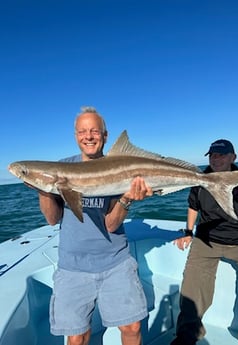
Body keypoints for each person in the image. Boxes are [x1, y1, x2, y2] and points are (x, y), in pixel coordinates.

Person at [37, 106, 153, 345]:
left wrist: (127, 198)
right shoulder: (62, 168)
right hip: (73, 266)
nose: (88, 136)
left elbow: (111, 224)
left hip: (115, 261)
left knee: (132, 327)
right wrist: (43, 186)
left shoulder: (121, 168)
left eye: (94, 131)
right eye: (82, 131)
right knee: (77, 336)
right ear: (75, 136)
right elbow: (52, 219)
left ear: (105, 136)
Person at [171, 139, 238, 345]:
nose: (215, 159)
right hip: (207, 240)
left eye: (221, 155)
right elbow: (193, 207)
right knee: (192, 285)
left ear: (233, 157)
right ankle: (187, 336)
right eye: (212, 155)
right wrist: (188, 232)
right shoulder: (200, 179)